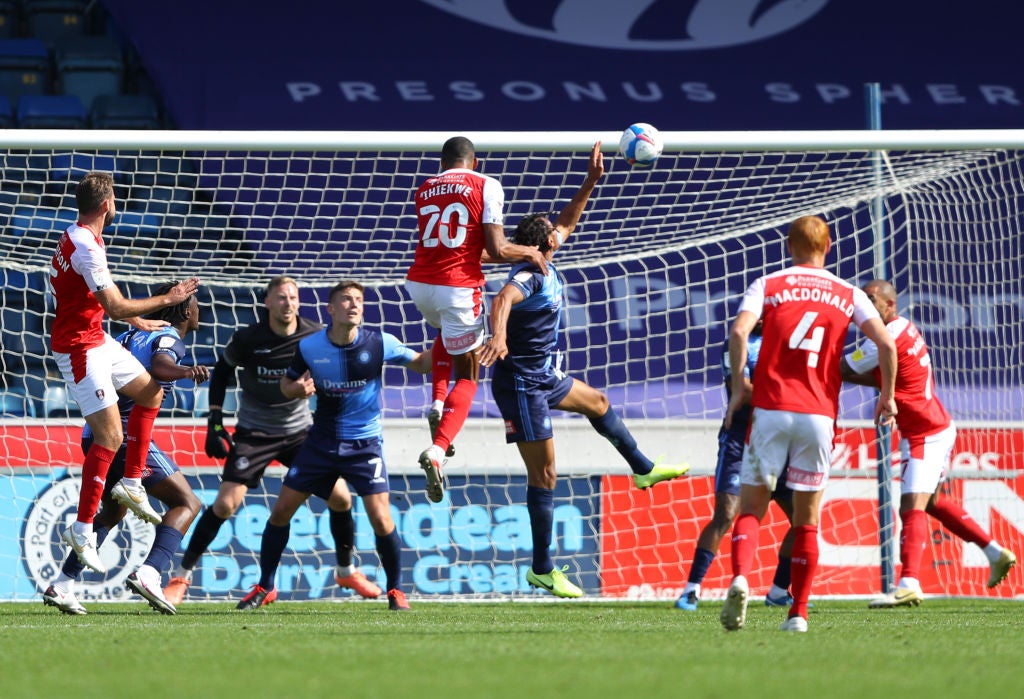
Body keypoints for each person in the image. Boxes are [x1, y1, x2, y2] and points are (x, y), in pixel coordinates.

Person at [478, 143, 690, 598]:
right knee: (546, 475)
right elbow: (502, 299)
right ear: (543, 245)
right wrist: (498, 336)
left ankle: (643, 468)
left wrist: (593, 178)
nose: (560, 232)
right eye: (553, 233)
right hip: (521, 384)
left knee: (598, 403)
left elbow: (570, 219)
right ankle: (542, 568)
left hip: (544, 376)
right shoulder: (529, 273)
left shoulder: (547, 259)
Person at [719, 215, 898, 633]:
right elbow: (886, 343)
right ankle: (797, 613)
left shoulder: (769, 284)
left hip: (771, 409)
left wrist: (741, 384)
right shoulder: (847, 292)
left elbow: (739, 332)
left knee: (751, 508)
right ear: (829, 245)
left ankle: (741, 577)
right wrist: (886, 397)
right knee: (807, 520)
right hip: (818, 415)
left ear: (788, 245)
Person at [164, 276, 381, 604]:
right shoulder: (249, 338)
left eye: (293, 297)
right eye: (281, 298)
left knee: (341, 499)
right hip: (255, 432)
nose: (288, 303)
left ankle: (346, 570)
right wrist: (215, 424)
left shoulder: (314, 336)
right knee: (224, 504)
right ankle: (182, 575)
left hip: (300, 433)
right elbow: (222, 373)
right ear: (268, 302)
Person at [236, 281, 431, 611]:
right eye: (346, 300)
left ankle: (396, 591)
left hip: (365, 444)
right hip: (320, 444)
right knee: (281, 510)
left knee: (381, 518)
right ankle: (265, 586)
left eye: (358, 300)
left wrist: (456, 341)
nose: (354, 305)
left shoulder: (381, 342)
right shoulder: (311, 347)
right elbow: (286, 384)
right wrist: (294, 390)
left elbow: (423, 363)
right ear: (331, 309)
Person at [48, 171, 200, 575]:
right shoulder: (86, 246)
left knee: (151, 391)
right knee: (110, 436)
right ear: (106, 205)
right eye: (114, 198)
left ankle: (132, 481)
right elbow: (114, 306)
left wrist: (136, 323)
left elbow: (96, 302)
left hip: (95, 337)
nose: (116, 204)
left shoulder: (78, 234)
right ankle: (81, 529)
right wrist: (168, 299)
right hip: (79, 349)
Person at [840, 279, 1017, 607]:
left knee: (911, 506)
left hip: (925, 434)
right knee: (932, 501)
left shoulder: (886, 337)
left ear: (889, 305)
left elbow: (845, 368)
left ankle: (909, 583)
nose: (862, 305)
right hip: (936, 424)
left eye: (870, 299)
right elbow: (880, 372)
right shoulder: (904, 327)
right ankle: (995, 552)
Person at [43, 283, 208, 615]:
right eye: (197, 304)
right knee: (187, 502)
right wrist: (186, 371)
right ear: (187, 311)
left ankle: (62, 583)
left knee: (114, 512)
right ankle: (149, 573)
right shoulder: (169, 338)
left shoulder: (127, 337)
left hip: (99, 431)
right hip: (126, 438)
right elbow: (161, 366)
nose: (200, 310)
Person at [406, 135, 550, 504]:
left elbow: (461, 244)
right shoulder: (486, 184)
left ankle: (438, 402)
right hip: (457, 287)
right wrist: (531, 252)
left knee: (446, 335)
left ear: (443, 163)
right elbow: (498, 248)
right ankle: (438, 450)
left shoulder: (425, 188)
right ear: (476, 162)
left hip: (420, 283)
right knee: (469, 376)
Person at [675, 322, 799, 611]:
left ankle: (780, 591)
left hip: (780, 441)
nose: (755, 315)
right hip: (740, 440)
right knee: (726, 514)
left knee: (804, 521)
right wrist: (787, 399)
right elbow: (740, 389)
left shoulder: (789, 343)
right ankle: (691, 590)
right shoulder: (738, 342)